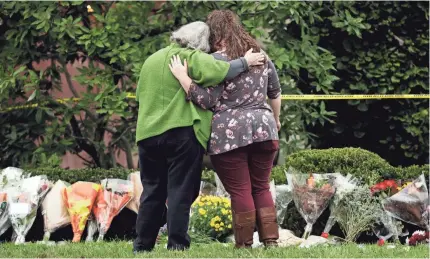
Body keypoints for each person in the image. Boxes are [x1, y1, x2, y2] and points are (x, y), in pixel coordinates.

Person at [134, 21, 265, 253]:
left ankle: (142, 246)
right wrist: (247, 61)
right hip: (180, 133)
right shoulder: (192, 57)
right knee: (180, 191)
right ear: (201, 43)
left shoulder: (151, 60)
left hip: (148, 135)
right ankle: (176, 245)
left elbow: (139, 95)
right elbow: (222, 70)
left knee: (152, 190)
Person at [168, 10, 282, 248]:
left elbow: (206, 99)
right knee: (261, 185)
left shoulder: (217, 62)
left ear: (215, 35)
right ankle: (270, 241)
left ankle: (244, 244)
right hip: (265, 128)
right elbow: (275, 93)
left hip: (229, 134)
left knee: (240, 189)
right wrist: (276, 120)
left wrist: (183, 78)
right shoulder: (261, 56)